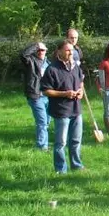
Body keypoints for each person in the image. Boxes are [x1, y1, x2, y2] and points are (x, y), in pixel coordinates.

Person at [40, 41, 85, 173]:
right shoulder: (52, 69)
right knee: (61, 143)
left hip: (76, 109)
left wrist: (80, 92)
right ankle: (61, 170)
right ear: (59, 51)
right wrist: (65, 94)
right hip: (61, 111)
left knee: (76, 140)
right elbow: (46, 91)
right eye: (67, 50)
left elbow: (81, 82)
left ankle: (76, 165)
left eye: (72, 50)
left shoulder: (75, 67)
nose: (71, 53)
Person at [21, 42, 51, 151]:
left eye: (42, 50)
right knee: (42, 121)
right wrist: (36, 45)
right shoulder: (30, 61)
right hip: (36, 95)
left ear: (46, 51)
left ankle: (44, 143)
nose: (40, 52)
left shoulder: (48, 63)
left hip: (48, 96)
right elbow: (23, 55)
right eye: (38, 50)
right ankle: (42, 146)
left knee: (47, 121)